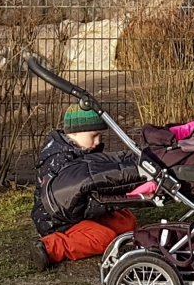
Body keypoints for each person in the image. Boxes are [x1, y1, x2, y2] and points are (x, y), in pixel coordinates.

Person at [30, 105, 143, 269]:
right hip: (58, 219)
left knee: (126, 221)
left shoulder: (81, 150)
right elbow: (70, 202)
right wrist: (108, 203)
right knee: (104, 238)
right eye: (94, 136)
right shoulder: (59, 161)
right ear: (75, 132)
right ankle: (49, 248)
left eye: (100, 136)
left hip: (81, 210)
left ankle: (94, 232)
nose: (98, 141)